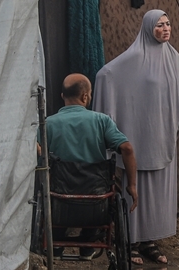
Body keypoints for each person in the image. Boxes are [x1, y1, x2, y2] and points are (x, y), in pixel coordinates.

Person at [93, 10, 179, 265]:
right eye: (159, 25)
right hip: (138, 133)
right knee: (134, 188)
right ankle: (130, 241)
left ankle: (150, 242)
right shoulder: (134, 57)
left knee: (157, 191)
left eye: (168, 24)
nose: (166, 28)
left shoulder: (173, 58)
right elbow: (106, 75)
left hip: (162, 134)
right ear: (148, 28)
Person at [43, 73, 138, 259]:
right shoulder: (102, 121)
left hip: (58, 201)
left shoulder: (48, 124)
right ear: (85, 96)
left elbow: (35, 149)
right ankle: (89, 244)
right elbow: (126, 148)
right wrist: (132, 186)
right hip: (95, 202)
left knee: (53, 193)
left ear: (62, 96)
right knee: (104, 194)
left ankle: (56, 243)